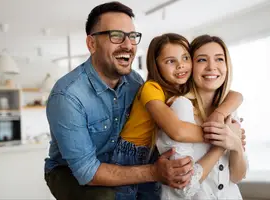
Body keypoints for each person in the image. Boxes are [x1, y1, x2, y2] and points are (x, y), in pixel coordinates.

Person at [44, 2, 196, 200]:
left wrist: (225, 131)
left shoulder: (135, 82)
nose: (128, 45)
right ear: (92, 44)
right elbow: (87, 172)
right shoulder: (67, 96)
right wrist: (153, 172)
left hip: (122, 163)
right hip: (70, 172)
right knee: (105, 197)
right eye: (116, 36)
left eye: (132, 36)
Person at [111, 33, 244, 199]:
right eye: (170, 61)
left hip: (150, 152)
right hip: (131, 153)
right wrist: (222, 136)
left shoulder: (179, 92)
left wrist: (227, 128)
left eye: (185, 58)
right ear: (156, 66)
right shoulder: (154, 90)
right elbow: (178, 131)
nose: (180, 66)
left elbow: (236, 95)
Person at [156, 35, 248, 199]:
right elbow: (184, 186)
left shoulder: (228, 109)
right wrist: (221, 146)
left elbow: (236, 177)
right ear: (190, 65)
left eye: (219, 59)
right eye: (202, 60)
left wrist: (235, 145)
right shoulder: (180, 107)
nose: (212, 67)